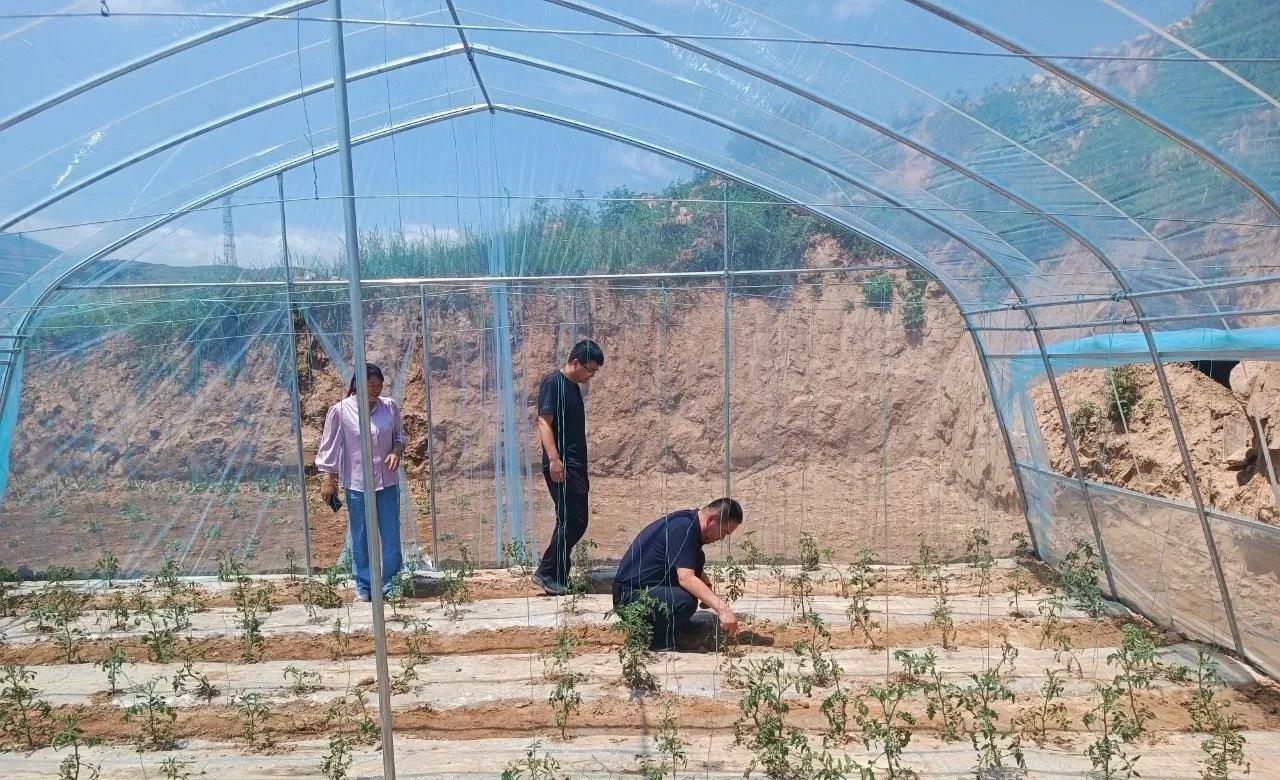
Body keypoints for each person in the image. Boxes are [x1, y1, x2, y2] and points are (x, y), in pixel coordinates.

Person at [316, 363, 405, 603]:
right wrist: (328, 477)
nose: (376, 389)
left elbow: (399, 437)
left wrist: (396, 451)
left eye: (379, 384)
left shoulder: (389, 407)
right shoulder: (341, 411)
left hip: (387, 481)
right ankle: (364, 583)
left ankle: (391, 582)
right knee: (361, 533)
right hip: (357, 483)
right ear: (358, 385)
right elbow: (330, 446)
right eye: (371, 384)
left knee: (390, 532)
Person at [612, 498, 743, 650]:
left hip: (644, 590)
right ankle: (656, 640)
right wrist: (723, 609)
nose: (721, 538)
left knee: (697, 575)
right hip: (629, 597)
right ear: (711, 520)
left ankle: (674, 625)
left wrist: (706, 585)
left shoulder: (687, 524)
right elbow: (685, 578)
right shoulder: (683, 528)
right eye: (724, 531)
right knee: (684, 601)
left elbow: (686, 560)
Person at [531, 339, 605, 595]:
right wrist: (554, 459)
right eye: (590, 369)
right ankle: (546, 571)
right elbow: (544, 421)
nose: (591, 375)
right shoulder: (553, 384)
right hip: (562, 465)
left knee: (571, 519)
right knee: (574, 520)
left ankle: (559, 574)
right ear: (575, 362)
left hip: (575, 464)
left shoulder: (572, 387)